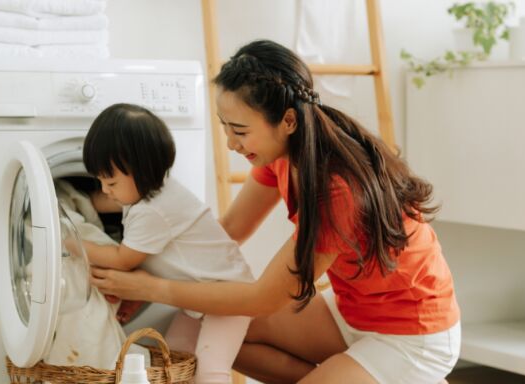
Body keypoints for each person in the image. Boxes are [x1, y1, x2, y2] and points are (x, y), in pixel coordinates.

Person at [90, 40, 461, 384]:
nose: (232, 143)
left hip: (411, 333)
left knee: (232, 315)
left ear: (287, 121)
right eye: (225, 127)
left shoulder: (338, 189)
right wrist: (150, 268)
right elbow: (232, 228)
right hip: (352, 311)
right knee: (225, 329)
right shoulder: (283, 154)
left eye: (240, 130)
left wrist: (150, 287)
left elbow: (263, 298)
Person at [80, 103, 255, 384]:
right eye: (100, 181)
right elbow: (104, 202)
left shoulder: (154, 209)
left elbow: (123, 259)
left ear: (141, 171)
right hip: (197, 297)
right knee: (173, 362)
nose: (104, 190)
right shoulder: (146, 192)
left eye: (110, 183)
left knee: (210, 369)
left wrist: (74, 243)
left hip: (228, 296)